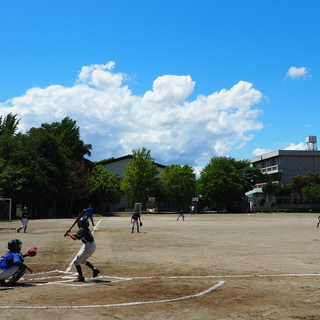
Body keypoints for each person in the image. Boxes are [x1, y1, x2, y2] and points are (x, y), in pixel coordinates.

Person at [64, 217, 100, 282]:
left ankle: (81, 277)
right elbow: (77, 235)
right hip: (92, 246)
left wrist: (68, 234)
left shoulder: (82, 229)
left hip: (88, 247)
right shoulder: (86, 229)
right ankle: (94, 269)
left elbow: (75, 238)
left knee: (76, 261)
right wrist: (69, 234)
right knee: (83, 260)